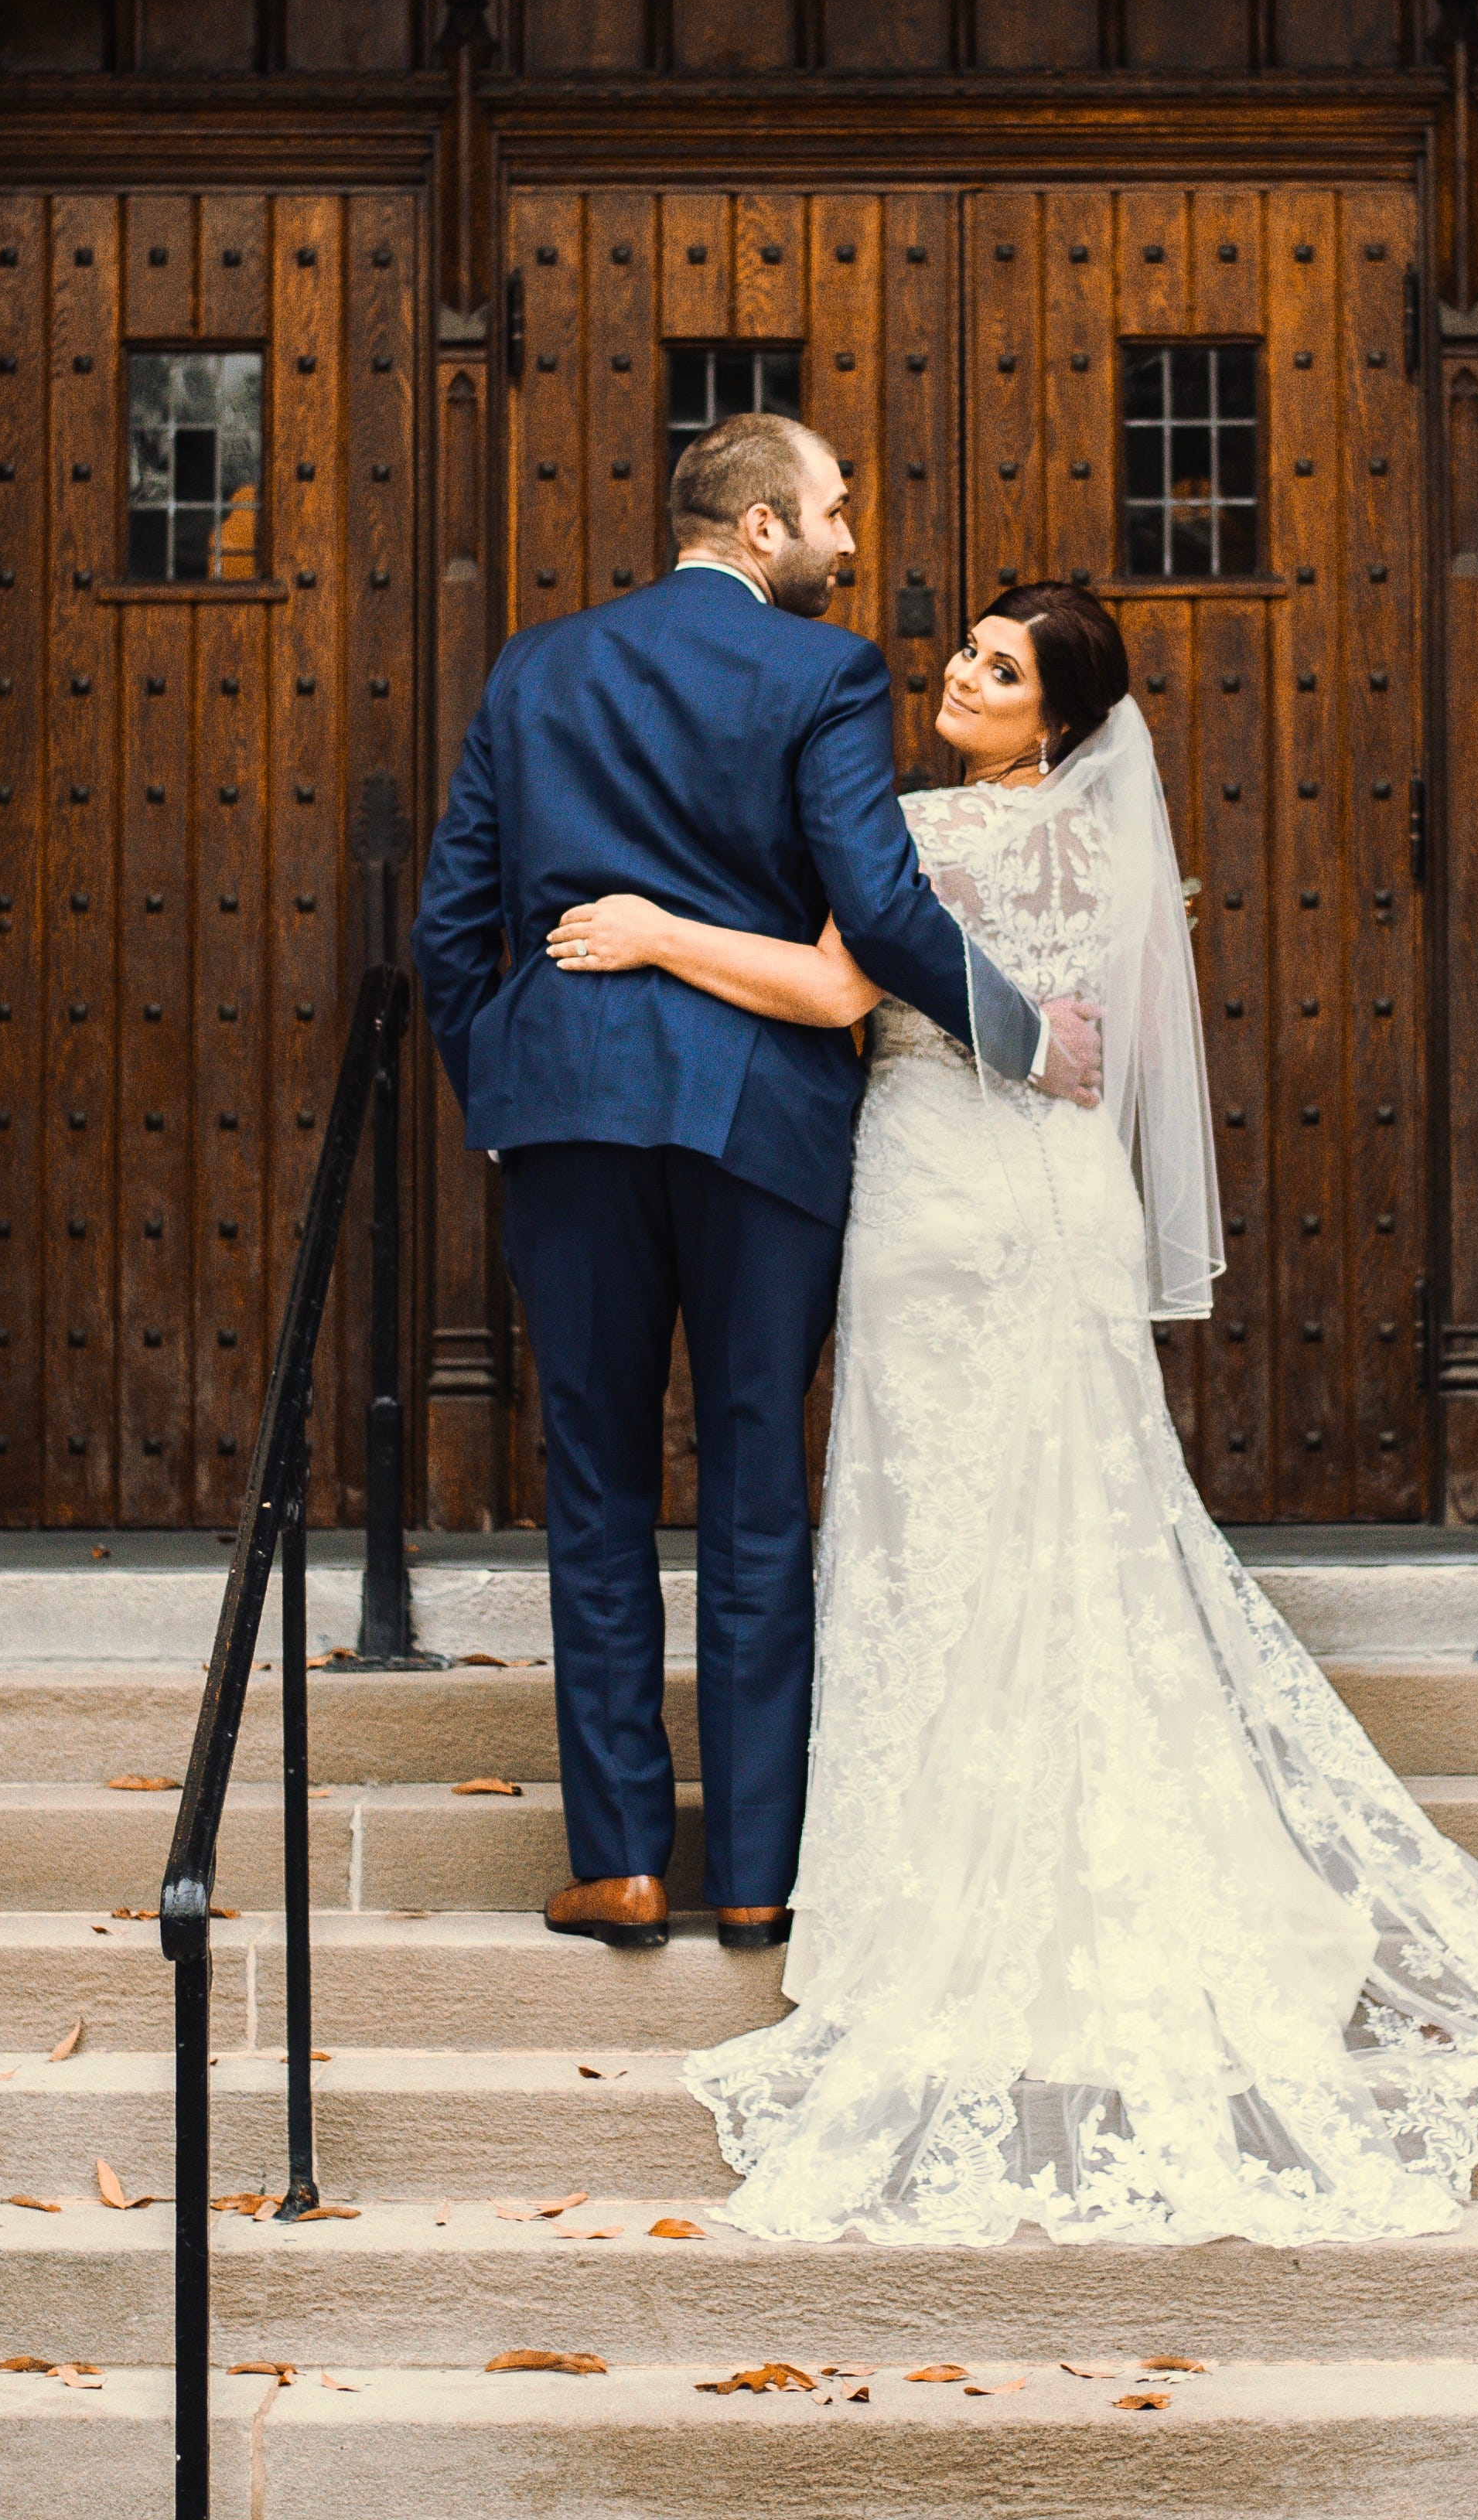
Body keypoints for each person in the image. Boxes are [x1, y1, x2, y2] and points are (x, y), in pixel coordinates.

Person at [538, 581, 1478, 2247]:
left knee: (927, 1540)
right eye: (968, 650)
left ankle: (911, 1907)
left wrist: (650, 933)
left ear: (1060, 725)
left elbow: (832, 991)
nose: (960, 672)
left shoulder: (905, 827)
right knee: (1077, 1539)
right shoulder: (1101, 856)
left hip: (939, 1201)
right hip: (1062, 1194)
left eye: (1001, 671)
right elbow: (1076, 1046)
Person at [415, 415, 1097, 1959]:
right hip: (762, 1126)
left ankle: (622, 1863)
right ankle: (756, 1877)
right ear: (755, 528)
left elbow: (449, 928)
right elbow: (875, 899)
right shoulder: (824, 673)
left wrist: (516, 1081)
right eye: (833, 513)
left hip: (571, 1116)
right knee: (751, 1489)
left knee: (591, 1485)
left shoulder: (533, 668)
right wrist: (1020, 1033)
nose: (851, 544)